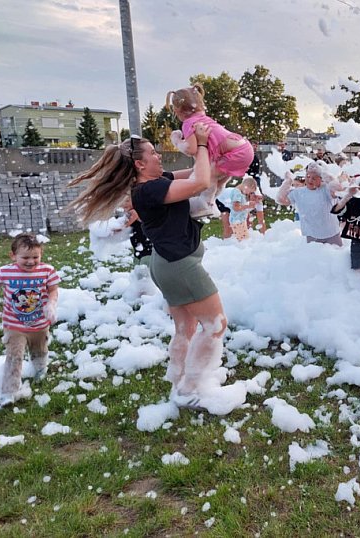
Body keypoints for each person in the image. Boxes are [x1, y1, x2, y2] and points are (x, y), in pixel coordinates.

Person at [69, 126, 239, 412]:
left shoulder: (156, 182)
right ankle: (189, 389)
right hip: (179, 266)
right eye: (153, 153)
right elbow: (199, 183)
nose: (159, 156)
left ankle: (179, 381)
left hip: (167, 263)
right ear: (140, 164)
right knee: (215, 325)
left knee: (186, 327)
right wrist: (198, 144)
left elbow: (205, 174)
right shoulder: (150, 189)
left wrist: (223, 157)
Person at [0, 234, 60, 406]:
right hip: (14, 325)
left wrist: (51, 304)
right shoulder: (5, 272)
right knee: (14, 357)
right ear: (13, 256)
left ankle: (40, 369)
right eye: (25, 257)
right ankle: (9, 392)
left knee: (40, 350)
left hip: (40, 323)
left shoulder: (47, 270)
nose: (30, 261)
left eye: (35, 257)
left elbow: (53, 290)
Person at [167, 83, 254, 219]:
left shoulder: (189, 123)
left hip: (236, 152)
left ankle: (205, 205)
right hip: (244, 148)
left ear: (177, 111)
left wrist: (176, 140)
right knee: (218, 180)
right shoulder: (203, 118)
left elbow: (191, 149)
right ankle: (211, 203)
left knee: (210, 175)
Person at [277, 162, 342, 246]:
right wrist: (287, 181)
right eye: (308, 176)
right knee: (314, 258)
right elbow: (281, 199)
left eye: (314, 178)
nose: (310, 180)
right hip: (312, 235)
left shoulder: (326, 189)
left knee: (336, 257)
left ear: (321, 179)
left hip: (332, 234)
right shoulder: (299, 192)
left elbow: (339, 191)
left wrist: (328, 177)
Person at [219, 177, 260, 241]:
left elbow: (241, 205)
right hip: (222, 202)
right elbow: (236, 208)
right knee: (230, 229)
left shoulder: (242, 190)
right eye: (250, 192)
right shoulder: (237, 194)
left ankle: (235, 243)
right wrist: (247, 206)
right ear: (246, 186)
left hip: (235, 211)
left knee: (245, 230)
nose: (249, 194)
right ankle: (226, 245)